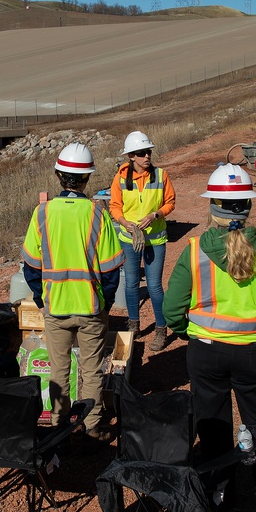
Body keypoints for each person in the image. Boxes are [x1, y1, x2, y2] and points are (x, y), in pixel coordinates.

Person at [163, 164, 256, 512]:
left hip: (205, 353)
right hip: (254, 355)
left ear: (212, 207)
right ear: (247, 207)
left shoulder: (194, 252)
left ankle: (219, 503)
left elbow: (172, 310)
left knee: (213, 430)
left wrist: (189, 334)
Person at [21, 143, 124, 442]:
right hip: (91, 308)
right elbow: (111, 270)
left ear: (58, 176)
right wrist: (103, 304)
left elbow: (30, 267)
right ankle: (92, 426)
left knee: (59, 371)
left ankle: (57, 427)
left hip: (55, 309)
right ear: (87, 179)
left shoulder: (42, 213)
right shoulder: (97, 214)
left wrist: (42, 298)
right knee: (92, 371)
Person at [109, 130, 176, 352]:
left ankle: (160, 329)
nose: (147, 156)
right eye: (141, 153)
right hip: (128, 239)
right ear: (131, 156)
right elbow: (115, 206)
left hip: (155, 240)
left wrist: (155, 215)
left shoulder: (161, 175)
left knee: (155, 286)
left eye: (148, 152)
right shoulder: (120, 178)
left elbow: (170, 202)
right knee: (131, 283)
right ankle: (134, 324)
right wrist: (125, 223)